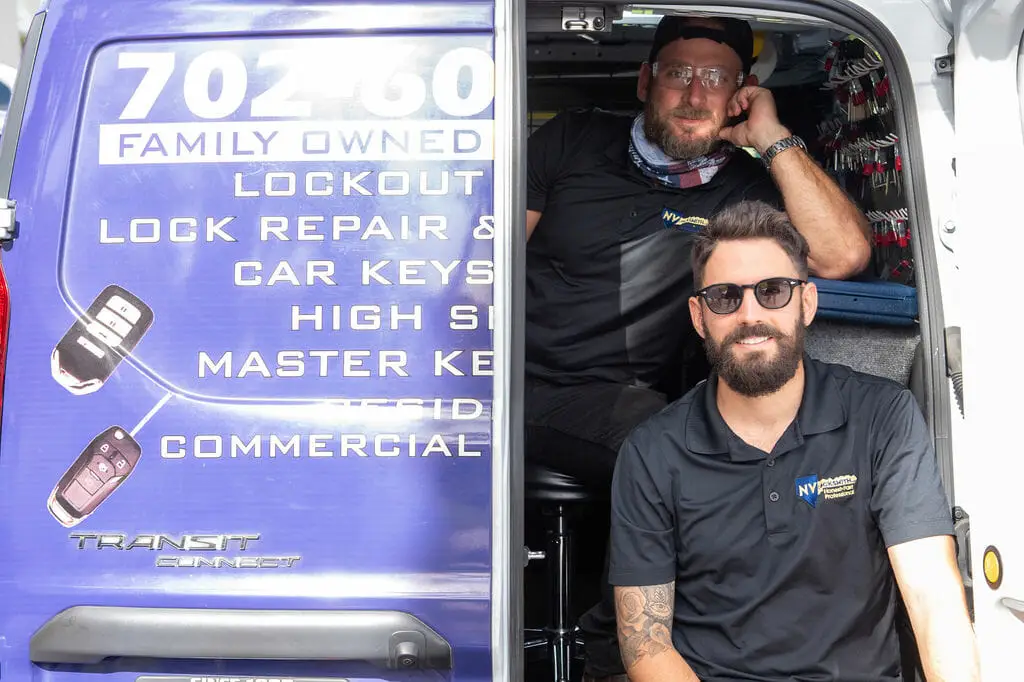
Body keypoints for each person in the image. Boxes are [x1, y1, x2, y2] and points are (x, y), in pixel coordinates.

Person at [524, 13, 872, 680]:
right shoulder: (571, 141)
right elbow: (483, 260)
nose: (694, 93)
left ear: (741, 93)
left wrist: (772, 138)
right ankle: (618, 654)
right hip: (533, 387)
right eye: (679, 73)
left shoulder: (741, 185)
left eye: (715, 79)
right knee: (670, 448)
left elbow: (843, 254)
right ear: (645, 80)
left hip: (647, 395)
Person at [607, 200, 981, 682]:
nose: (750, 315)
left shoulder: (881, 417)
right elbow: (646, 646)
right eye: (725, 296)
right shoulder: (652, 452)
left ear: (806, 303)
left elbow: (934, 599)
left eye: (773, 291)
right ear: (699, 317)